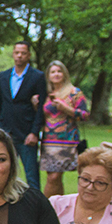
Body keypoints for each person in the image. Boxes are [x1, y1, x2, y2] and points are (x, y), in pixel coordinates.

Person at [0, 41, 48, 191]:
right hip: (5, 131)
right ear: (13, 54)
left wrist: (34, 132)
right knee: (2, 172)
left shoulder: (37, 76)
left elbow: (41, 107)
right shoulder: (4, 76)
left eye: (23, 53)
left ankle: (35, 202)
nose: (20, 56)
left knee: (31, 175)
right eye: (17, 53)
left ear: (29, 55)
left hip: (26, 133)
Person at [40, 60, 89, 197]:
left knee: (54, 177)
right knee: (53, 178)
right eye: (53, 72)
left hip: (66, 140)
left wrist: (66, 108)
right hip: (48, 140)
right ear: (48, 75)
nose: (56, 74)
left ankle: (46, 205)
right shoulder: (46, 93)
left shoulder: (74, 92)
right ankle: (57, 206)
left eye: (59, 71)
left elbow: (85, 115)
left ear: (65, 74)